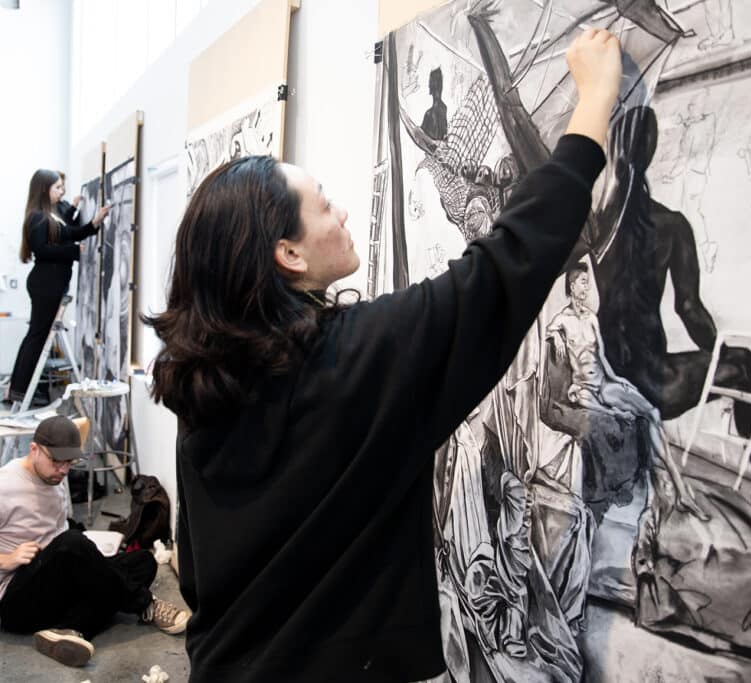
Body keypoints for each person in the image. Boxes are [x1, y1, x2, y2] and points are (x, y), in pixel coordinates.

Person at [144, 28, 622, 683]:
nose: (340, 209)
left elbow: (196, 570)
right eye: (322, 202)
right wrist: (593, 101)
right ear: (290, 254)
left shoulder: (207, 378)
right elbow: (503, 270)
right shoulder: (356, 358)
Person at [0, 415, 189, 667]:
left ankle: (70, 630)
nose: (63, 470)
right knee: (75, 545)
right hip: (12, 599)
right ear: (34, 449)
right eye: (56, 461)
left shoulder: (55, 478)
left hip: (51, 580)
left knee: (143, 562)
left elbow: (58, 535)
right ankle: (146, 604)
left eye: (69, 462)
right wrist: (4, 559)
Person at [547, 262, 708, 518]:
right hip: (584, 388)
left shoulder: (591, 319)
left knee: (652, 413)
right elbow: (547, 337)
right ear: (571, 285)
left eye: (588, 282)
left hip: (604, 383)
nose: (587, 287)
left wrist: (616, 379)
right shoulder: (560, 322)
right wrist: (555, 338)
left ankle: (679, 489)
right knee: (628, 417)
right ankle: (675, 492)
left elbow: (601, 356)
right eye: (583, 282)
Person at [7, 169, 109, 404]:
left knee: (36, 335)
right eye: (57, 188)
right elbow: (41, 250)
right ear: (44, 190)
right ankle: (20, 391)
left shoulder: (50, 216)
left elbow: (71, 233)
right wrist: (73, 251)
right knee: (37, 336)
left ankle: (18, 390)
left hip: (50, 282)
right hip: (46, 283)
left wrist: (95, 222)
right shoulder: (37, 217)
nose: (61, 193)